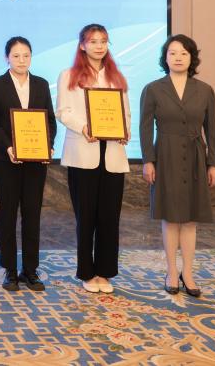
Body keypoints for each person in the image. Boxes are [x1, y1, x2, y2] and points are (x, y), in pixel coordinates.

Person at [139, 34, 215, 298]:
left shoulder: (205, 90)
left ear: (192, 58)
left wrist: (213, 163)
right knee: (171, 217)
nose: (178, 58)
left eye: (184, 53)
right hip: (166, 156)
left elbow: (212, 130)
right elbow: (144, 128)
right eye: (172, 53)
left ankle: (189, 273)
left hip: (196, 157)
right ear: (165, 58)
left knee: (191, 218)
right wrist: (148, 160)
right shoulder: (153, 89)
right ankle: (172, 272)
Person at [56, 23, 130, 294]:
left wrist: (125, 130)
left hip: (112, 155)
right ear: (82, 45)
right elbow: (63, 112)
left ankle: (105, 272)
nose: (99, 46)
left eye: (103, 41)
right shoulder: (68, 75)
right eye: (93, 41)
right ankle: (87, 273)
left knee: (110, 217)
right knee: (85, 217)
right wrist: (84, 127)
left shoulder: (116, 77)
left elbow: (125, 112)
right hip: (82, 154)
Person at [0, 37, 56, 292]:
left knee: (32, 214)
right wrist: (8, 146)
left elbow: (50, 121)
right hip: (7, 160)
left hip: (36, 161)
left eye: (26, 55)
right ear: (7, 58)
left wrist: (48, 144)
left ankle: (30, 270)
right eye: (16, 56)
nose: (21, 60)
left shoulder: (41, 84)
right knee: (8, 214)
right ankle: (10, 270)